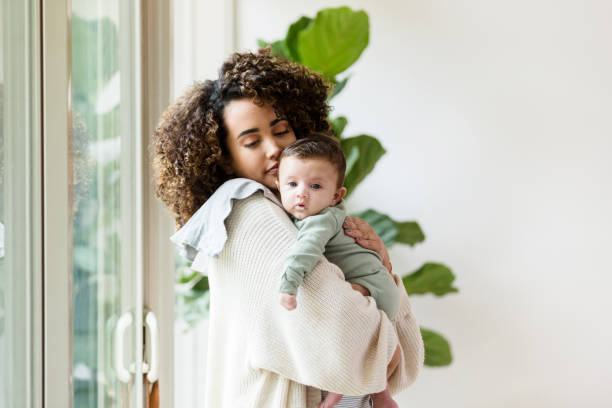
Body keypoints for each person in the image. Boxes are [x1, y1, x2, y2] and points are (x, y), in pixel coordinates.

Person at [153, 49, 424, 408]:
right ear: (222, 157)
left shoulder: (298, 215)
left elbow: (399, 363)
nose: (276, 149)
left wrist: (380, 266)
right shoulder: (250, 212)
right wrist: (379, 309)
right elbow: (360, 350)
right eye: (251, 142)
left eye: (282, 130)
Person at [276, 134, 400, 408]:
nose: (301, 193)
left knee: (340, 326)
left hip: (372, 286)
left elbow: (304, 252)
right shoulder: (327, 214)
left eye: (315, 186)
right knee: (373, 344)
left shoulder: (319, 221)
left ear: (336, 196)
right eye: (292, 184)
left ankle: (336, 389)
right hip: (383, 287)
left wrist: (288, 286)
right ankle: (382, 396)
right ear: (278, 186)